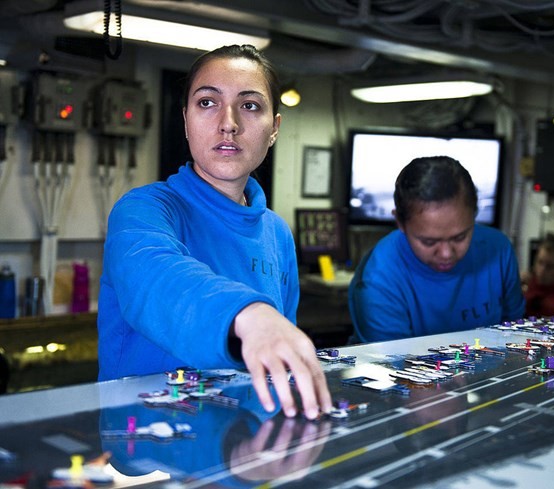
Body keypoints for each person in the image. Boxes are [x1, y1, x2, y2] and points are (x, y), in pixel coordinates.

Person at [97, 44, 331, 420]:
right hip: (147, 448)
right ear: (186, 120)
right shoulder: (144, 210)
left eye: (250, 106)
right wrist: (251, 315)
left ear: (275, 128)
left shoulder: (277, 233)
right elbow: (159, 280)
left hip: (244, 439)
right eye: (207, 102)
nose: (229, 123)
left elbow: (273, 361)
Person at [348, 155, 525, 343]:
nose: (446, 254)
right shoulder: (378, 279)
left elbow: (514, 336)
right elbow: (392, 367)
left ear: (474, 214)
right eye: (429, 242)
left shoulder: (498, 250)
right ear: (400, 222)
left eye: (460, 237)